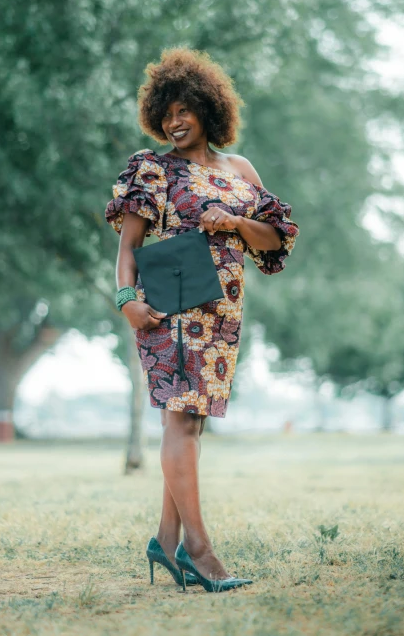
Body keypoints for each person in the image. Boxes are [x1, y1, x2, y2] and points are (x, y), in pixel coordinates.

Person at [105, 47, 299, 592]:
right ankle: (199, 550)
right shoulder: (154, 168)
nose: (175, 120)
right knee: (182, 421)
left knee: (190, 424)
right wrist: (125, 300)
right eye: (166, 112)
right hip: (169, 308)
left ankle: (164, 542)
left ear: (209, 111)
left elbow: (276, 239)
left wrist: (234, 220)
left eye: (185, 109)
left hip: (222, 313)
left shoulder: (240, 170)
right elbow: (129, 245)